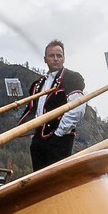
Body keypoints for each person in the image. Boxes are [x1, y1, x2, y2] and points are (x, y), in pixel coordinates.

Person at [20, 39, 86, 170]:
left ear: (64, 58)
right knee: (39, 179)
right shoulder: (38, 84)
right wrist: (34, 136)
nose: (56, 59)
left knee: (56, 180)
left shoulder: (72, 78)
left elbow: (77, 108)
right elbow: (34, 111)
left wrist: (58, 133)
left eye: (59, 55)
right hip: (39, 142)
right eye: (51, 56)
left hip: (60, 140)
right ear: (45, 59)